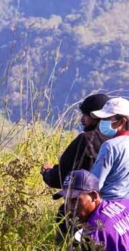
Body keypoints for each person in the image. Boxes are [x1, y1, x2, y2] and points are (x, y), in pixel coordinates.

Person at [41, 93, 109, 242]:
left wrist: (47, 173)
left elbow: (61, 177)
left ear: (96, 116)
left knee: (66, 219)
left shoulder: (86, 140)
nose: (82, 120)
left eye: (85, 115)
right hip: (126, 206)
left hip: (87, 205)